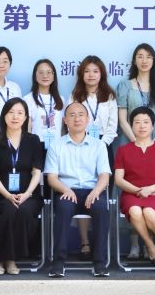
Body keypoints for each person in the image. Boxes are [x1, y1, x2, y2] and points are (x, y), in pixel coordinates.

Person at [45, 102, 112, 278]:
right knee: (63, 208)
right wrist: (65, 190)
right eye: (72, 115)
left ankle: (100, 263)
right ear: (65, 120)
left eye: (81, 115)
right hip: (67, 190)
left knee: (101, 209)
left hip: (92, 191)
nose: (77, 118)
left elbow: (104, 176)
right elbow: (52, 178)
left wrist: (95, 192)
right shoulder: (56, 145)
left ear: (88, 119)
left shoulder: (99, 145)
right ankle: (58, 262)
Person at [115, 43, 155, 260]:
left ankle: (151, 245)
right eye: (140, 56)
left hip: (154, 144)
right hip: (130, 142)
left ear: (154, 61)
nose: (144, 61)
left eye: (149, 57)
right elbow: (122, 118)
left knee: (150, 195)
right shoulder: (125, 86)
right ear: (134, 60)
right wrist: (137, 140)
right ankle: (135, 244)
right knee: (132, 193)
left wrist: (153, 141)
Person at [0, 98, 45, 275]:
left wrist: (27, 194)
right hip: (2, 195)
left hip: (29, 194)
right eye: (11, 112)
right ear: (4, 116)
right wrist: (7, 195)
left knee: (25, 211)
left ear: (26, 117)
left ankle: (6, 257)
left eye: (20, 113)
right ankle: (4, 259)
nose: (15, 117)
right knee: (8, 210)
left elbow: (37, 172)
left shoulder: (33, 140)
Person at [67, 55, 118, 258]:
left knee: (99, 198)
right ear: (81, 74)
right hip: (79, 149)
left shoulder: (109, 96)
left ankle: (100, 245)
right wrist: (84, 144)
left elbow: (112, 127)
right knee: (82, 191)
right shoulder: (75, 95)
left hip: (103, 148)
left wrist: (99, 146)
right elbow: (70, 122)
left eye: (95, 71)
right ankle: (85, 242)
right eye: (87, 71)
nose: (91, 75)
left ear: (101, 74)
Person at [114, 107, 155, 269]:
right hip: (131, 193)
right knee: (135, 211)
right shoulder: (123, 150)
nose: (142, 126)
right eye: (137, 122)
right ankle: (150, 245)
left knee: (149, 212)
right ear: (131, 126)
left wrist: (150, 190)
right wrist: (138, 190)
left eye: (146, 122)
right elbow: (118, 179)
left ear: (153, 126)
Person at [24, 58, 64, 149]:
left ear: (54, 76)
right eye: (41, 72)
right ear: (35, 76)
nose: (45, 76)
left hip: (57, 145)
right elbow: (27, 129)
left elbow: (62, 128)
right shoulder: (28, 99)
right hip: (36, 145)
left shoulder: (61, 99)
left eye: (49, 72)